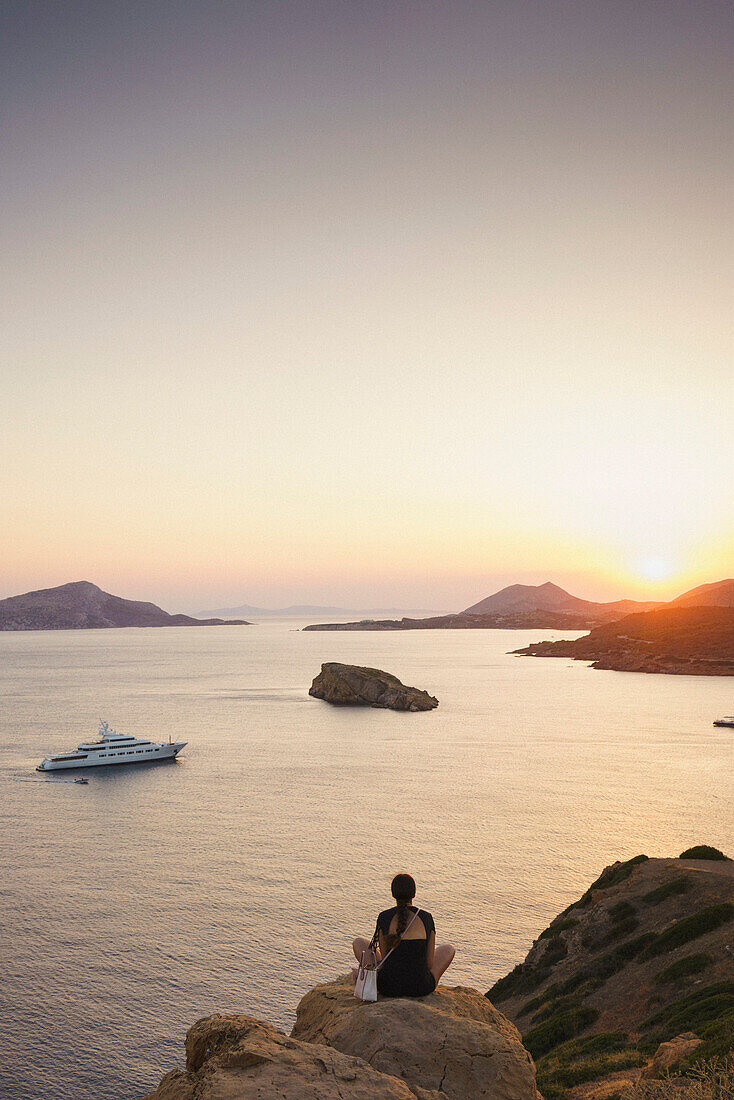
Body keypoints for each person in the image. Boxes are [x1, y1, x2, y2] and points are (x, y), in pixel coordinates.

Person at [352, 873, 455, 998]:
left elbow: (384, 959)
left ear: (393, 894)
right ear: (414, 893)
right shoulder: (426, 918)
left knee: (358, 942)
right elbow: (429, 964)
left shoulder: (384, 917)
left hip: (388, 987)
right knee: (448, 948)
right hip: (420, 987)